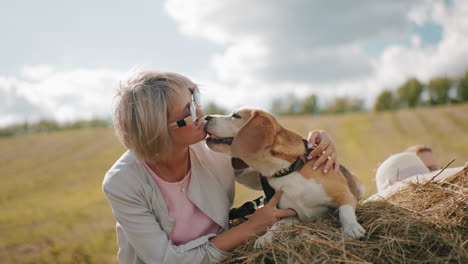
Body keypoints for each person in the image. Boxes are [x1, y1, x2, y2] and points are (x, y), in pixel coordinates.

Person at [102, 71, 339, 264]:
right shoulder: (122, 183)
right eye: (190, 111)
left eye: (196, 101)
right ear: (158, 130)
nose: (202, 114)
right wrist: (253, 227)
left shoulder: (215, 149)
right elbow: (167, 260)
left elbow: (276, 173)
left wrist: (310, 147)